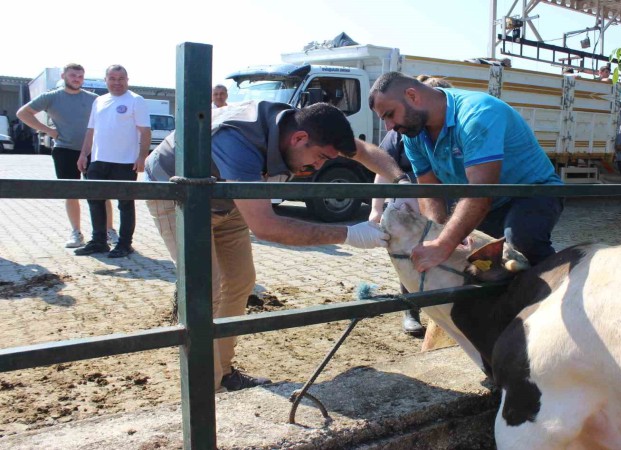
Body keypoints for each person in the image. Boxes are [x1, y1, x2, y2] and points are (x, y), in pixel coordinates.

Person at [144, 101, 405, 392]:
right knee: (206, 290)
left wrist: (402, 184)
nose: (319, 166)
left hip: (225, 195)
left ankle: (223, 372)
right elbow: (266, 226)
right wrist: (347, 234)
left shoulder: (307, 126)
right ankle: (205, 390)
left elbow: (366, 151)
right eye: (319, 157)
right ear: (299, 139)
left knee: (240, 281)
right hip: (177, 195)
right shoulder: (237, 140)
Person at [368, 72, 564, 276]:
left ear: (412, 95)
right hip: (487, 200)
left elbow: (480, 193)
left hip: (531, 192)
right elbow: (429, 190)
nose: (389, 127)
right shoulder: (413, 135)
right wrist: (436, 234)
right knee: (478, 261)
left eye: (389, 114)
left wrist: (444, 245)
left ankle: (562, 286)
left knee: (521, 245)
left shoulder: (477, 114)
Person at [369, 75, 453, 337]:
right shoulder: (402, 132)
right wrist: (376, 208)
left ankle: (446, 310)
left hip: (449, 199)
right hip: (410, 204)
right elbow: (382, 168)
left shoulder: (452, 130)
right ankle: (411, 310)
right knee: (412, 256)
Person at [16, 63, 116, 248]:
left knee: (102, 192)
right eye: (72, 75)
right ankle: (76, 233)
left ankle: (109, 231)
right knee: (71, 192)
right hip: (64, 151)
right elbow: (23, 113)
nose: (76, 79)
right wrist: (48, 131)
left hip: (93, 152)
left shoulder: (94, 99)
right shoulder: (51, 97)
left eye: (80, 76)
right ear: (64, 76)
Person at [75, 65, 151, 258]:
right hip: (98, 161)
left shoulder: (135, 100)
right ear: (106, 80)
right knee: (95, 201)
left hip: (125, 162)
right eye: (112, 78)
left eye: (121, 78)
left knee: (125, 203)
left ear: (127, 80)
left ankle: (125, 244)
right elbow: (91, 130)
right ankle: (99, 241)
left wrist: (142, 156)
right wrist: (84, 154)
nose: (117, 82)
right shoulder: (99, 101)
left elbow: (145, 131)